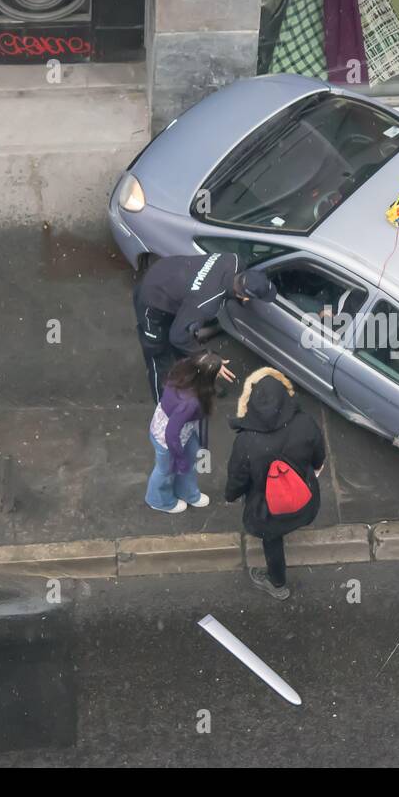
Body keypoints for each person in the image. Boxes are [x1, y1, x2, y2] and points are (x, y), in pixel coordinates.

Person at [224, 367, 326, 601]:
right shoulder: (305, 423)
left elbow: (237, 479)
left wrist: (230, 496)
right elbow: (319, 457)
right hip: (305, 500)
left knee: (272, 540)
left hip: (267, 510)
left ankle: (277, 583)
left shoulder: (246, 441)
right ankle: (277, 579)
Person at [133, 252, 277, 400]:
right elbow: (178, 337)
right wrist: (208, 357)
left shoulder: (233, 259)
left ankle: (198, 383)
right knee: (159, 356)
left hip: (170, 275)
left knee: (187, 348)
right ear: (244, 296)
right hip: (151, 300)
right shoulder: (206, 305)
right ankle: (164, 407)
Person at [146, 351, 223, 513]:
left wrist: (215, 365)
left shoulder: (183, 370)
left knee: (191, 458)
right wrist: (179, 459)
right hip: (167, 439)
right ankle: (158, 500)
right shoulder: (191, 402)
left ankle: (188, 492)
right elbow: (171, 434)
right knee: (166, 470)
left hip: (179, 428)